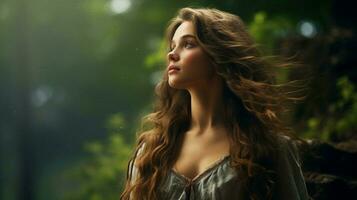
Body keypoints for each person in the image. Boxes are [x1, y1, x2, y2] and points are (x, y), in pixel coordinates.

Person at [120, 7, 310, 200]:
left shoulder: (270, 148)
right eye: (172, 46)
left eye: (188, 44)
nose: (172, 54)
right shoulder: (152, 152)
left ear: (219, 54)